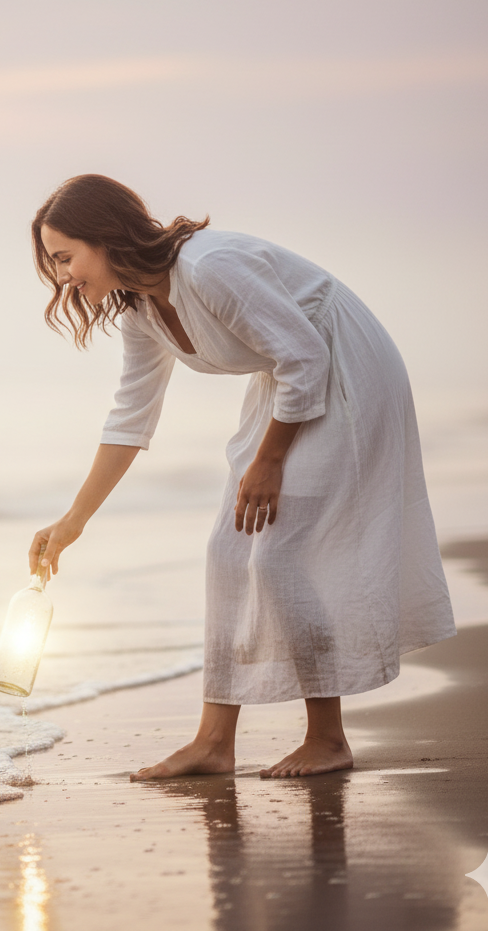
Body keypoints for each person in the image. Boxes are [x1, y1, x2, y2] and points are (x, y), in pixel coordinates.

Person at [27, 174, 456, 781]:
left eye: (66, 257)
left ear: (105, 237)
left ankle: (328, 737)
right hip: (287, 381)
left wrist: (270, 460)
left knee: (277, 556)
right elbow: (130, 416)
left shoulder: (208, 267)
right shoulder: (141, 309)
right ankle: (213, 743)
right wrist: (73, 521)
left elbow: (306, 355)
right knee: (227, 554)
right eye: (54, 264)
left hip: (343, 367)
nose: (64, 276)